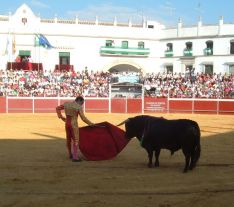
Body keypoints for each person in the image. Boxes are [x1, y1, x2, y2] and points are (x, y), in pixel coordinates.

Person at [56, 96, 94, 162]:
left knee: (68, 139)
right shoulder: (79, 107)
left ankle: (70, 154)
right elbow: (83, 118)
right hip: (73, 125)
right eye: (82, 102)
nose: (82, 104)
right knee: (76, 140)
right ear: (79, 100)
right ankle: (75, 157)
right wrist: (91, 124)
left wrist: (61, 117)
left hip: (67, 124)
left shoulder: (67, 104)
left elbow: (57, 108)